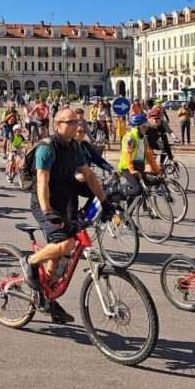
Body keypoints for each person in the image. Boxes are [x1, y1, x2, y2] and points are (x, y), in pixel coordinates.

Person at [19, 107, 111, 324]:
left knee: (63, 254)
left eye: (77, 123)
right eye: (70, 123)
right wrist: (47, 211)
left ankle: (46, 297)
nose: (76, 126)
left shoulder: (74, 147)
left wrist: (104, 201)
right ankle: (29, 261)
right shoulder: (47, 149)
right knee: (65, 243)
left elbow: (88, 174)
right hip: (45, 203)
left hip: (67, 200)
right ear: (57, 125)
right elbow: (42, 180)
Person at [116, 113, 163, 197]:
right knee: (137, 190)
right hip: (126, 168)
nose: (146, 128)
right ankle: (117, 194)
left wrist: (156, 170)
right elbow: (127, 155)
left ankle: (131, 208)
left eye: (147, 126)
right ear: (137, 127)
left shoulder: (144, 138)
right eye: (144, 126)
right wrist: (131, 170)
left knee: (150, 183)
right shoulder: (129, 138)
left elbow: (150, 156)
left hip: (139, 166)